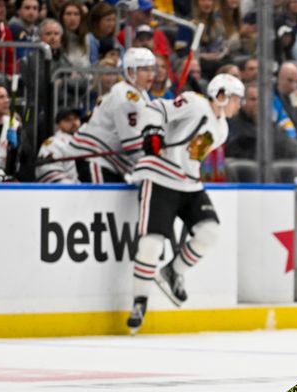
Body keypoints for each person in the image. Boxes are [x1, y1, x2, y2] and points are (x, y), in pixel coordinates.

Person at [125, 73, 244, 333]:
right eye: (236, 98)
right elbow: (155, 107)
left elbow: (192, 154)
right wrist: (153, 131)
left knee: (209, 232)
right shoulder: (195, 102)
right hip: (158, 175)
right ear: (221, 95)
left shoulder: (222, 128)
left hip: (189, 182)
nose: (239, 104)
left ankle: (173, 271)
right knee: (150, 245)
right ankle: (139, 301)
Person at [69, 47, 155, 183]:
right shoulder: (127, 98)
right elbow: (133, 145)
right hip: (94, 156)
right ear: (131, 71)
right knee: (100, 203)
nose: (150, 75)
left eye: (151, 69)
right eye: (144, 69)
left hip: (109, 160)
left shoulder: (139, 93)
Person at [36, 108, 81, 183]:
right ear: (58, 125)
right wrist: (73, 188)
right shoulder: (52, 143)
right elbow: (48, 173)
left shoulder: (85, 140)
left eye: (76, 118)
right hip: (69, 191)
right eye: (68, 120)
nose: (74, 123)